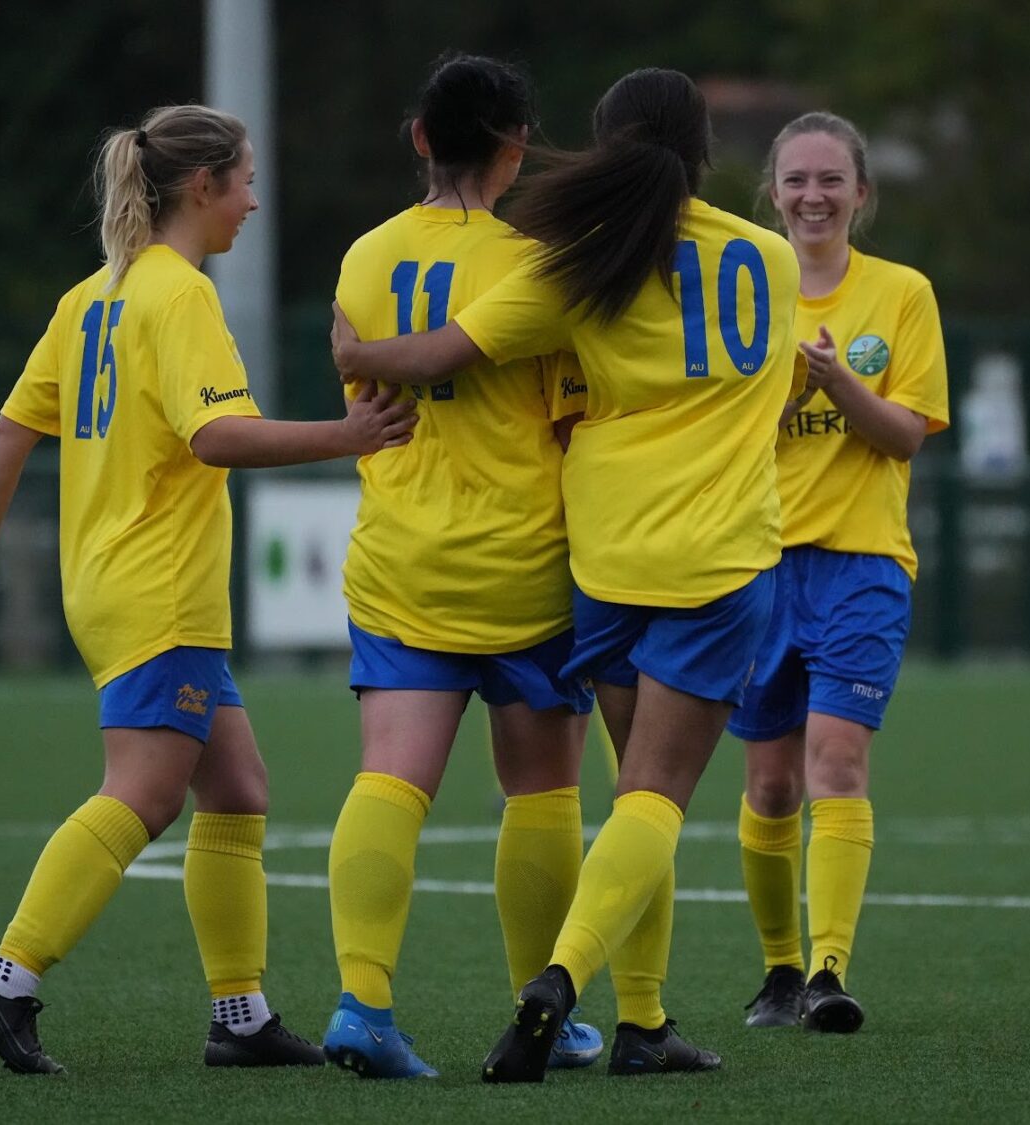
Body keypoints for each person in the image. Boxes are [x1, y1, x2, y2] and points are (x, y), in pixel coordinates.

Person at [333, 67, 802, 1083]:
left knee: (610, 786)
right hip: (715, 558)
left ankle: (635, 1024)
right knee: (652, 799)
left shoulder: (582, 259)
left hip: (600, 556)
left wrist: (353, 350)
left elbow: (442, 354)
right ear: (702, 150)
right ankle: (570, 984)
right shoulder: (770, 257)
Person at [0, 104, 416, 1075]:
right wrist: (346, 436)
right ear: (201, 189)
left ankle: (239, 1017)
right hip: (161, 589)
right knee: (145, 794)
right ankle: (9, 975)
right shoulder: (178, 295)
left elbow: (7, 435)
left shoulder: (93, 297)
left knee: (236, 789)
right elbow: (215, 437)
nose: (251, 201)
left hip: (111, 582)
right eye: (242, 182)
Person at [321, 52, 603, 1080]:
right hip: (524, 562)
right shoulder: (541, 262)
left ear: (418, 137)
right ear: (517, 146)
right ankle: (550, 1014)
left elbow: (364, 401)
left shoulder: (362, 257)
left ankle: (361, 1003)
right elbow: (574, 420)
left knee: (388, 782)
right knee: (539, 791)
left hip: (401, 560)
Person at [733, 112, 948, 1034]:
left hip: (861, 567)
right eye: (796, 180)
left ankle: (828, 971)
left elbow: (908, 433)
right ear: (772, 193)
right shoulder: (745, 292)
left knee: (837, 764)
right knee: (770, 786)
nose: (813, 196)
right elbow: (711, 429)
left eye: (832, 180)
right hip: (753, 565)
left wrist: (838, 384)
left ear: (863, 194)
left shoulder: (902, 293)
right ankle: (779, 969)